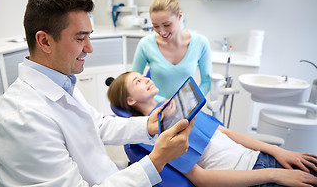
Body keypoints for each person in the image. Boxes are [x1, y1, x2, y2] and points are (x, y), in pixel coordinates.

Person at [0, 0, 195, 187]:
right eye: (80, 38)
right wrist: (157, 159)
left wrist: (149, 125)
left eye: (89, 36)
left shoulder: (61, 81)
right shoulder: (22, 121)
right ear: (45, 41)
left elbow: (96, 124)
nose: (89, 48)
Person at [107, 71, 317, 187]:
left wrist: (278, 151)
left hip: (262, 158)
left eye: (144, 76)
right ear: (130, 99)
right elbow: (201, 179)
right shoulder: (152, 138)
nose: (147, 79)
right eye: (138, 81)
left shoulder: (175, 105)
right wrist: (273, 175)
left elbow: (225, 132)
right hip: (253, 176)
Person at [132, 0, 212, 102]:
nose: (162, 31)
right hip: (157, 108)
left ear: (179, 16)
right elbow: (133, 85)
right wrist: (166, 103)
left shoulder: (200, 43)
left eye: (167, 25)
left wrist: (192, 102)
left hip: (187, 110)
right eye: (155, 26)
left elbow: (207, 82)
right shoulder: (145, 44)